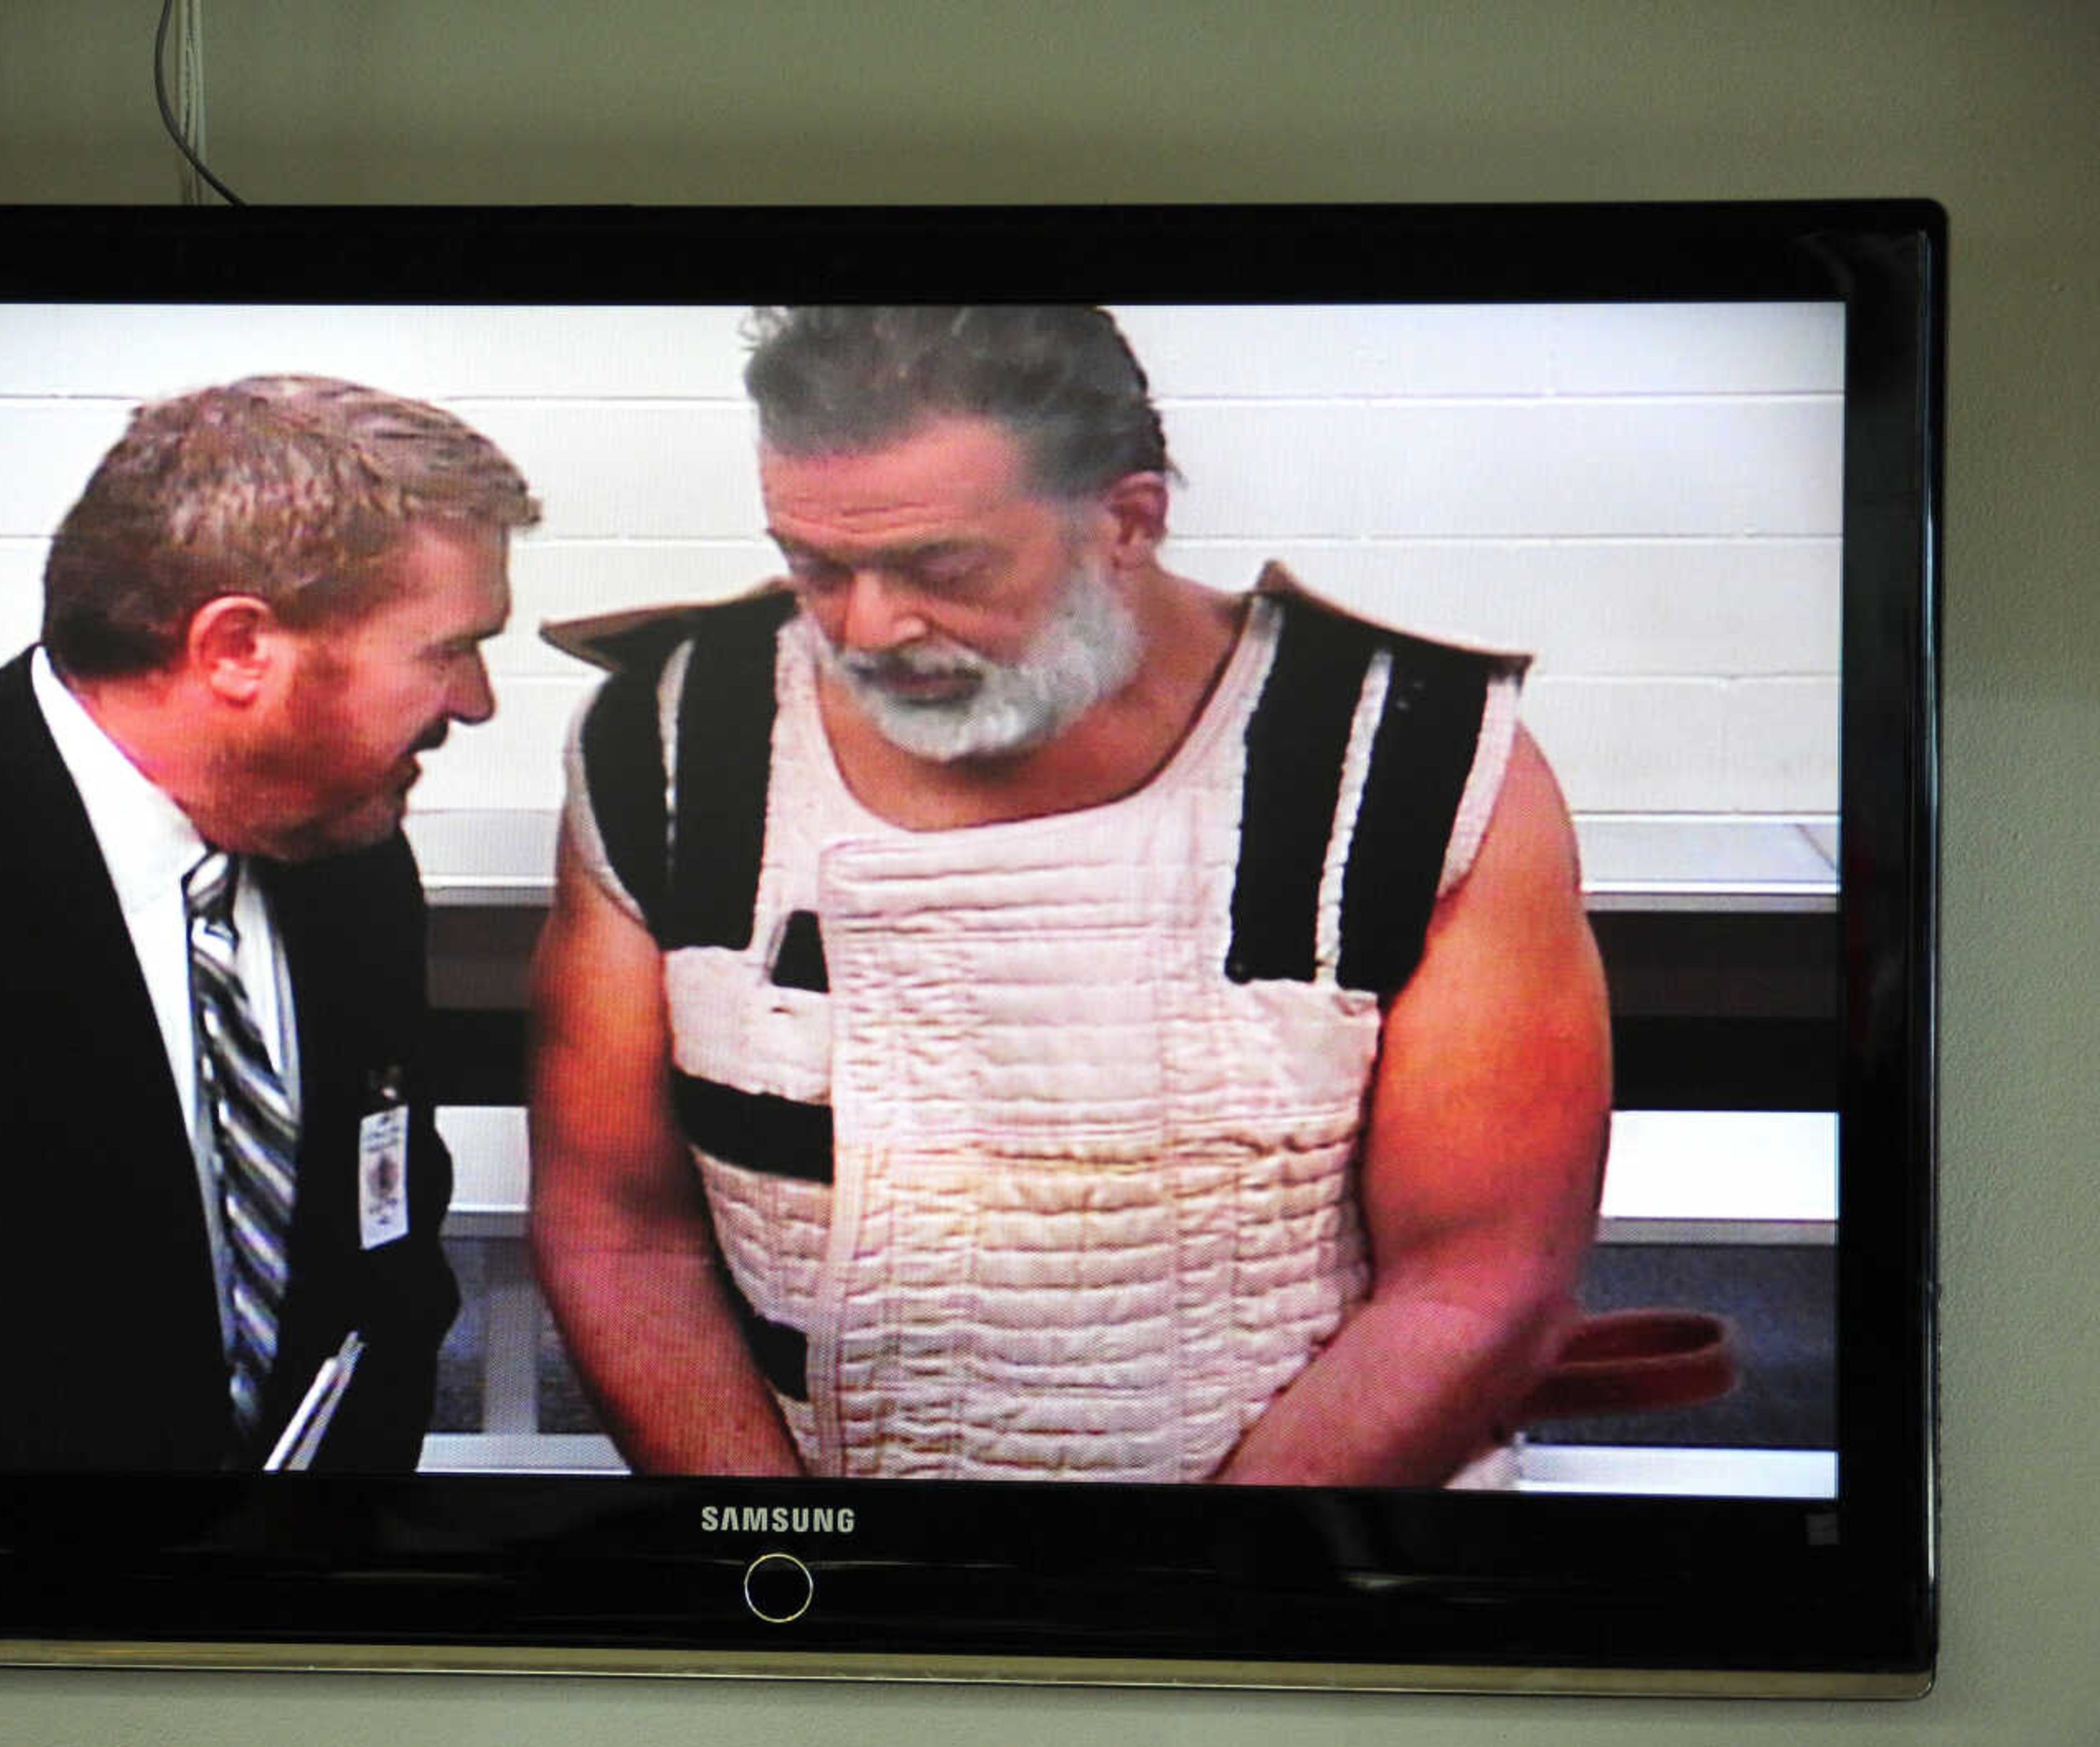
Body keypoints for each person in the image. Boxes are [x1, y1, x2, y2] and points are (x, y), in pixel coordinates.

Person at [529, 307, 1610, 1485]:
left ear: (1128, 521)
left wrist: (1179, 1607)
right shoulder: (675, 741)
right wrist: (794, 1560)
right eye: (816, 565)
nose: (870, 626)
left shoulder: (1416, 753)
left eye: (944, 568)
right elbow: (619, 1232)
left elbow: (1482, 1279)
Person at [0, 375, 538, 1473]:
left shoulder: (351, 864)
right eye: (447, 648)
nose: (475, 702)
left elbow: (386, 1248)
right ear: (234, 649)